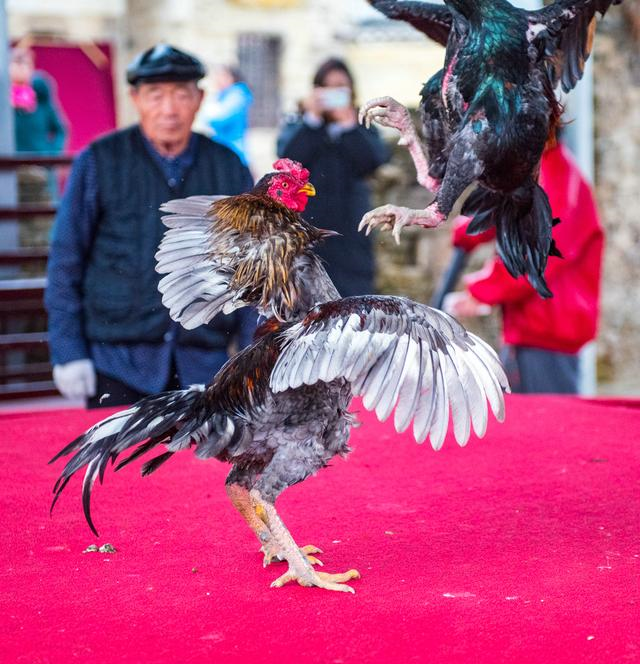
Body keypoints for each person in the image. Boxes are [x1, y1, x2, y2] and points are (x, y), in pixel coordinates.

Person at [45, 44, 255, 408]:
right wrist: (68, 351)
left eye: (181, 95)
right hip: (117, 361)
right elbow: (66, 260)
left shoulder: (228, 166)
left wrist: (256, 356)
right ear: (135, 99)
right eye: (156, 95)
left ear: (200, 98)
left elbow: (255, 268)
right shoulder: (99, 160)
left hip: (205, 364)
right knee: (120, 465)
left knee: (205, 464)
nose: (169, 109)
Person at [443, 141, 604, 394]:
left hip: (547, 340)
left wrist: (481, 290)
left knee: (548, 427)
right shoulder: (539, 171)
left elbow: (538, 256)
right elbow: (514, 209)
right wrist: (473, 228)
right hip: (531, 334)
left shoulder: (558, 177)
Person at [277, 57, 389, 297]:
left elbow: (374, 160)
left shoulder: (361, 125)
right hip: (307, 226)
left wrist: (348, 126)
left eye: (340, 87)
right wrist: (312, 120)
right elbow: (287, 157)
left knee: (353, 297)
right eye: (328, 87)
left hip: (351, 227)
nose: (334, 94)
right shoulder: (300, 123)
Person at [9, 46, 67, 154]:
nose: (21, 67)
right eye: (16, 62)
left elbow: (60, 131)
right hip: (8, 166)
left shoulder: (41, 96)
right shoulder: (4, 99)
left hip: (38, 165)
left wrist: (50, 156)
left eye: (25, 63)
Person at [201, 65, 253, 165]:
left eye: (222, 76)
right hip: (221, 149)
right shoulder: (222, 96)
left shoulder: (237, 95)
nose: (218, 80)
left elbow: (218, 119)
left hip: (234, 149)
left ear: (231, 77)